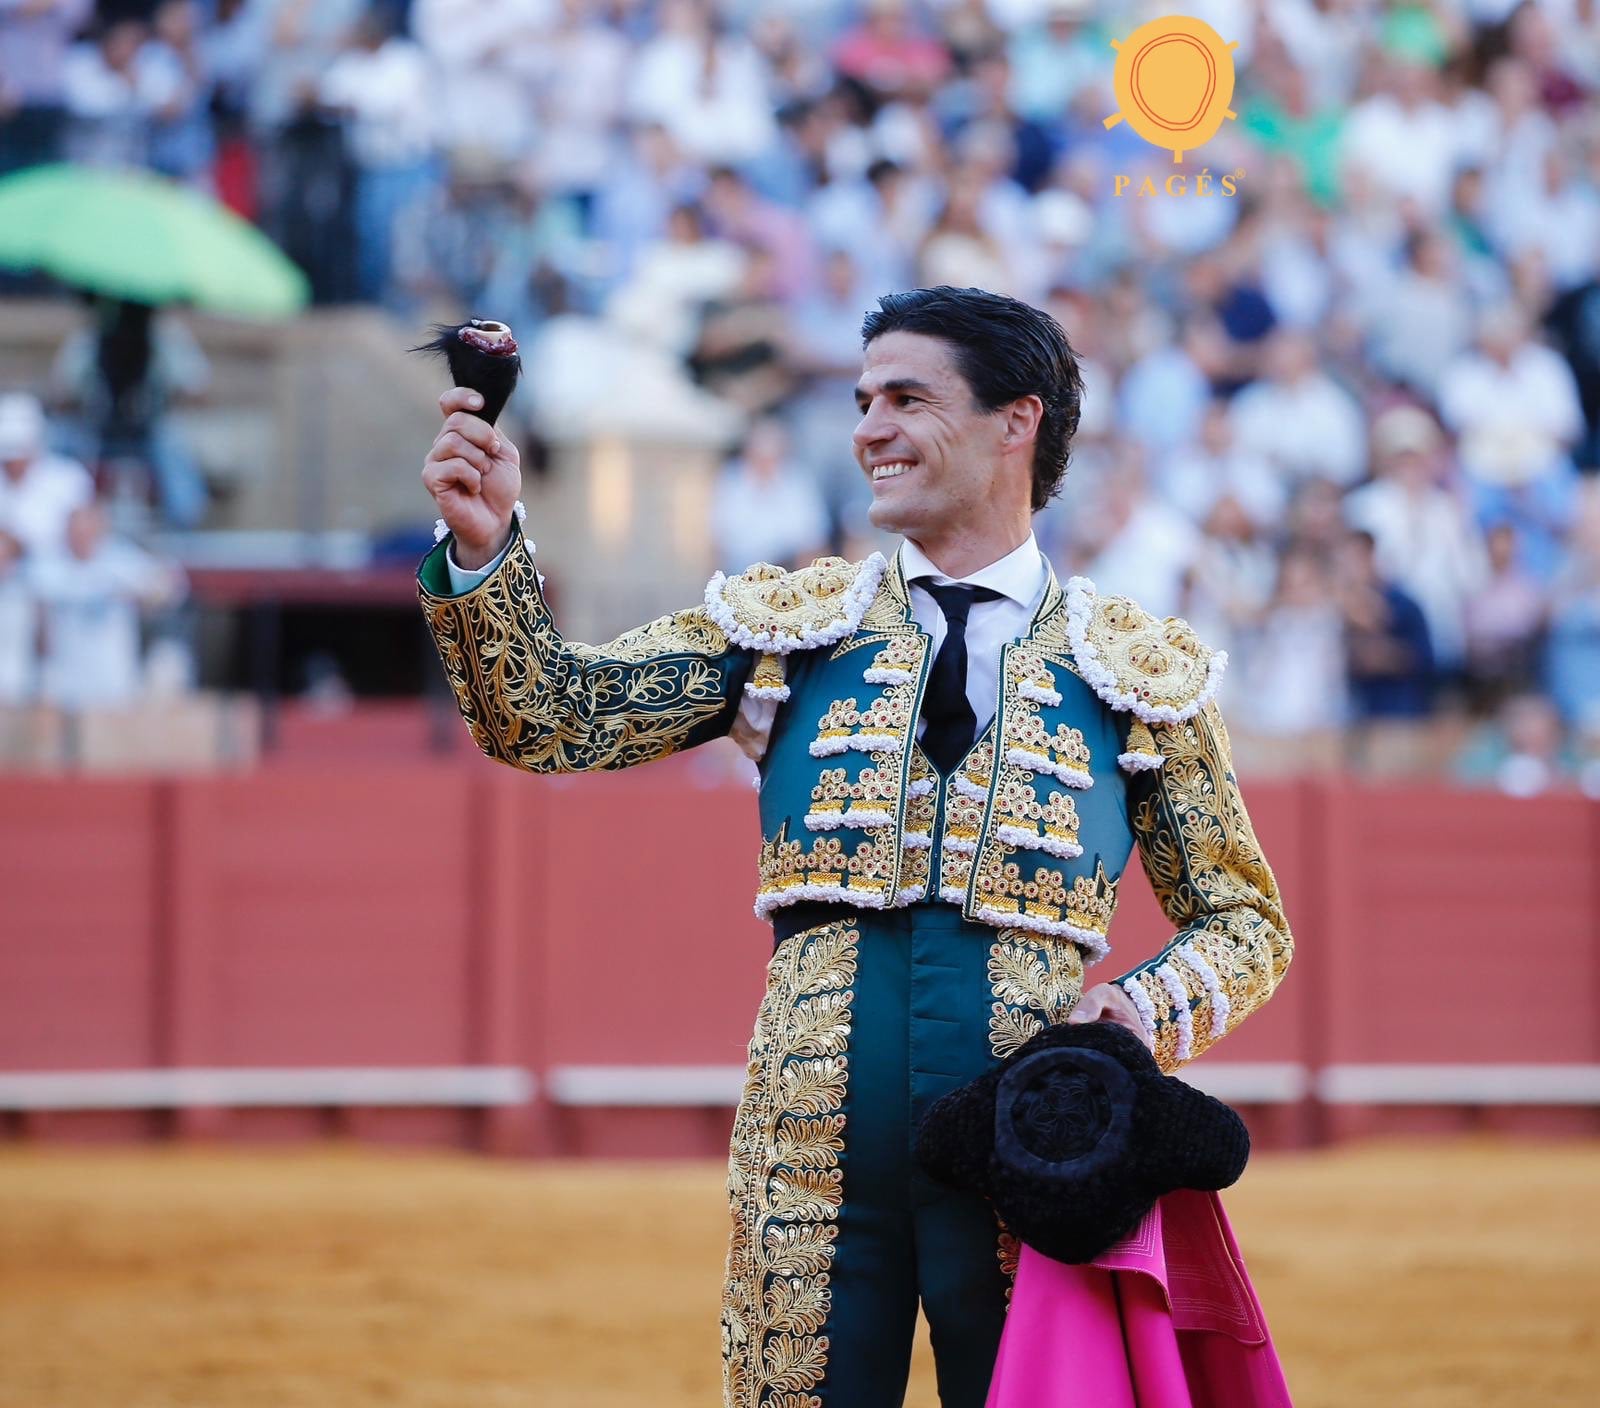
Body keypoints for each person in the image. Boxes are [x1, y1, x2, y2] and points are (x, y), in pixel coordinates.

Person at [417, 286, 1294, 1407]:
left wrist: (1137, 1012)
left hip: (1028, 1144)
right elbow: (548, 716)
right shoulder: (789, 628)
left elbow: (1244, 921)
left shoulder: (1134, 668)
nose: (867, 428)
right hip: (808, 1148)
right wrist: (489, 554)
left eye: (905, 398)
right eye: (862, 398)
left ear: (1014, 421)